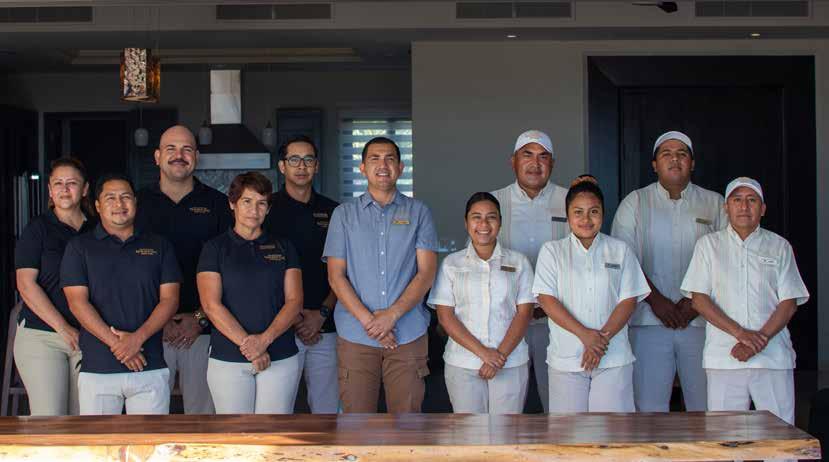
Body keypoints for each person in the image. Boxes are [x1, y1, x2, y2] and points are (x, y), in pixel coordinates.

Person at [611, 130, 726, 412]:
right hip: (648, 321)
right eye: (666, 154)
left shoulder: (715, 203)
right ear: (654, 164)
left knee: (706, 408)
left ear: (692, 163)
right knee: (649, 409)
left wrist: (695, 302)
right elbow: (624, 260)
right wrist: (656, 301)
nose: (675, 159)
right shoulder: (635, 202)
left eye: (682, 154)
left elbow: (726, 259)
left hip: (702, 322)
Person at [323, 137, 438, 413]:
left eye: (390, 158)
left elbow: (426, 273)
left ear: (400, 167)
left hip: (407, 334)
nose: (383, 165)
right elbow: (336, 276)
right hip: (356, 336)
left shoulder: (419, 212)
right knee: (357, 424)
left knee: (407, 423)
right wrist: (371, 323)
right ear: (362, 167)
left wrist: (391, 316)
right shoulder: (343, 215)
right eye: (374, 158)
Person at [681, 177, 808, 425]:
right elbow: (699, 300)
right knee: (725, 437)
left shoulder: (779, 246)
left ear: (763, 209)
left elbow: (789, 302)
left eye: (752, 200)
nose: (744, 206)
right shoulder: (708, 246)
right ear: (726, 208)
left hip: (772, 357)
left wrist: (757, 341)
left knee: (779, 437)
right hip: (724, 358)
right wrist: (741, 334)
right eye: (737, 200)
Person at [61, 173, 180, 415]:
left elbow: (170, 300)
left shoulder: (159, 245)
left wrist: (136, 340)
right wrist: (119, 345)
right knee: (99, 441)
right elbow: (77, 303)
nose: (119, 204)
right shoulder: (79, 247)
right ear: (97, 205)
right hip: (98, 369)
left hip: (149, 365)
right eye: (110, 198)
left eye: (126, 197)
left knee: (150, 440)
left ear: (135, 202)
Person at [135, 124, 232, 414]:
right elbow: (125, 270)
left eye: (187, 149)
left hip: (203, 330)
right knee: (147, 420)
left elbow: (231, 269)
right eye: (171, 149)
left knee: (203, 421)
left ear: (196, 157)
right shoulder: (136, 204)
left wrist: (200, 318)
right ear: (157, 157)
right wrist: (158, 321)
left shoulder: (218, 205)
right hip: (149, 332)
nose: (179, 155)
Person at [533, 176, 650, 412]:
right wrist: (585, 336)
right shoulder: (552, 251)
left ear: (603, 214)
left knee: (611, 429)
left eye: (593, 212)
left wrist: (599, 342)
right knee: (568, 431)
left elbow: (628, 301)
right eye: (578, 212)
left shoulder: (620, 250)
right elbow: (546, 300)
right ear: (567, 215)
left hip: (613, 357)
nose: (586, 219)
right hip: (566, 358)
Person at [197, 172, 302, 414]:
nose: (254, 210)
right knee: (236, 432)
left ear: (268, 209)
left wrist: (263, 341)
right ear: (232, 204)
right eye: (247, 201)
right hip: (228, 357)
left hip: (280, 355)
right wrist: (250, 346)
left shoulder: (284, 247)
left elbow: (295, 301)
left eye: (261, 203)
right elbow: (211, 304)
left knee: (274, 431)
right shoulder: (214, 248)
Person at [428, 192, 534, 414]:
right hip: (463, 363)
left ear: (500, 222)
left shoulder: (519, 262)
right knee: (469, 432)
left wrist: (499, 355)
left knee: (506, 431)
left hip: (510, 361)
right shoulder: (451, 264)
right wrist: (485, 354)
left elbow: (524, 313)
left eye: (491, 217)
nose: (484, 224)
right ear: (466, 223)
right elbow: (445, 317)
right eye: (476, 217)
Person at [490, 129, 569, 412]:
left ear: (552, 164)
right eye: (527, 155)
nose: (535, 163)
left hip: (559, 322)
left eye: (543, 156)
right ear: (513, 161)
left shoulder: (570, 201)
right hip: (507, 322)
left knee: (561, 406)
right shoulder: (493, 202)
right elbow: (479, 261)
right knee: (505, 407)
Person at [14, 157, 95, 416]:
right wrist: (63, 328)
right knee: (50, 418)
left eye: (72, 183)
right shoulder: (37, 229)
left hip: (89, 338)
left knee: (84, 419)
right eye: (58, 183)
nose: (64, 189)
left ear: (85, 189)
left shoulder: (98, 230)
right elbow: (25, 284)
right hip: (43, 337)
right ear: (50, 190)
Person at [264, 136, 340, 414]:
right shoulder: (266, 209)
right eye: (294, 159)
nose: (301, 166)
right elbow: (261, 271)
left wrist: (321, 314)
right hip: (279, 328)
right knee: (277, 410)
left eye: (308, 160)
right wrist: (295, 318)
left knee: (327, 411)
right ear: (282, 166)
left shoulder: (335, 211)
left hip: (325, 326)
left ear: (316, 166)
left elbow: (345, 270)